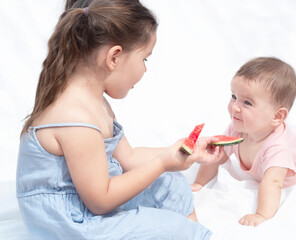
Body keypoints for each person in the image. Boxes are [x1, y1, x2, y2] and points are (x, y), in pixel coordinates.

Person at [16, 0, 222, 239]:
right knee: (169, 226)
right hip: (73, 223)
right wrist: (161, 163)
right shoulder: (75, 117)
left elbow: (130, 158)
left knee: (171, 183)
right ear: (114, 57)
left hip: (89, 206)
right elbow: (100, 201)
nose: (145, 70)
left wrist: (185, 150)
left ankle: (188, 232)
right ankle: (186, 233)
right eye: (144, 59)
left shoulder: (96, 102)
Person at [191, 57, 296, 227]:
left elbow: (273, 182)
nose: (235, 106)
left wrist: (261, 215)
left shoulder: (277, 148)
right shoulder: (237, 128)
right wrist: (199, 183)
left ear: (277, 117)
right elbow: (217, 156)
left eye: (247, 102)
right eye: (233, 96)